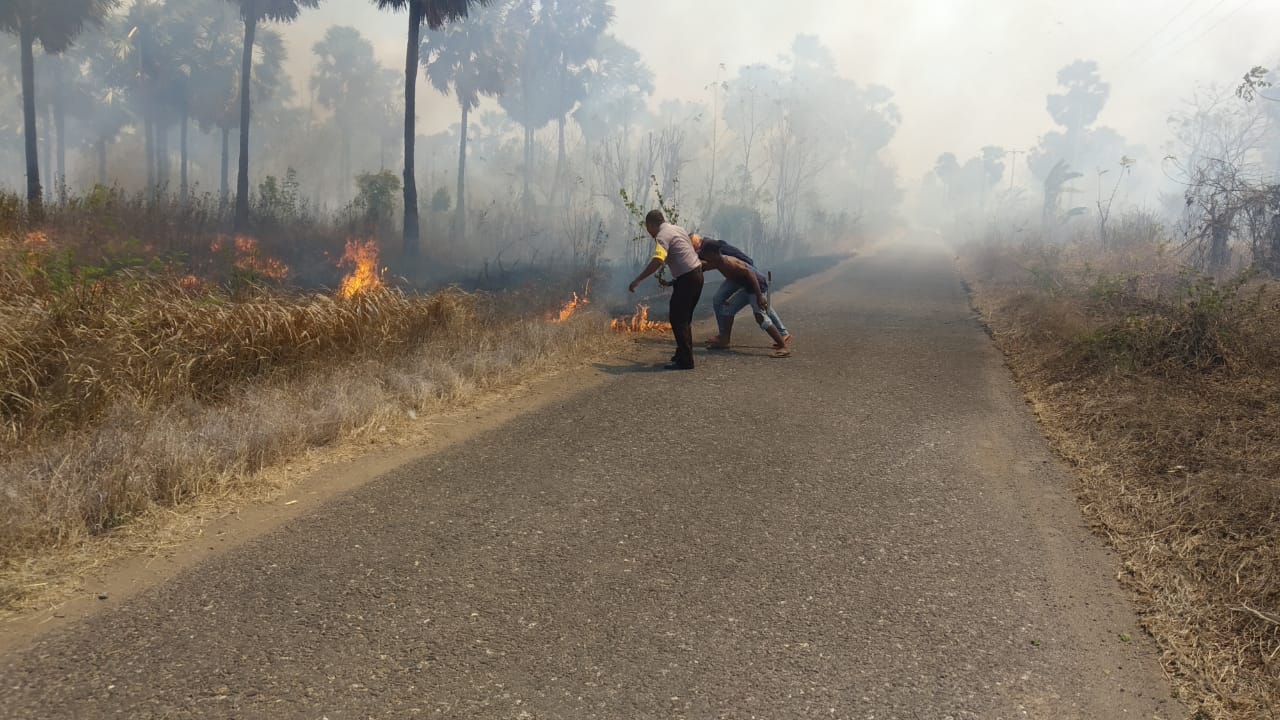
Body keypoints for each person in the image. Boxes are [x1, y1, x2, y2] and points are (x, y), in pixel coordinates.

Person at [628, 210, 704, 370]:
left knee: (677, 319)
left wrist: (638, 280)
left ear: (651, 224)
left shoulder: (662, 236)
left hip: (688, 279)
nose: (649, 233)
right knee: (684, 319)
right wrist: (672, 282)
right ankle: (682, 354)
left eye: (648, 229)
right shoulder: (678, 229)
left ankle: (686, 360)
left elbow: (658, 260)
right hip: (696, 276)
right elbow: (685, 255)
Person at [695, 237, 791, 350]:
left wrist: (759, 296)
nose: (704, 257)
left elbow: (750, 273)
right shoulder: (717, 262)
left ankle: (783, 345)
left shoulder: (729, 262)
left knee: (761, 317)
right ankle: (725, 340)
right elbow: (703, 266)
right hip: (746, 288)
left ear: (712, 254)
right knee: (728, 309)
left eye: (705, 254)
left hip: (757, 287)